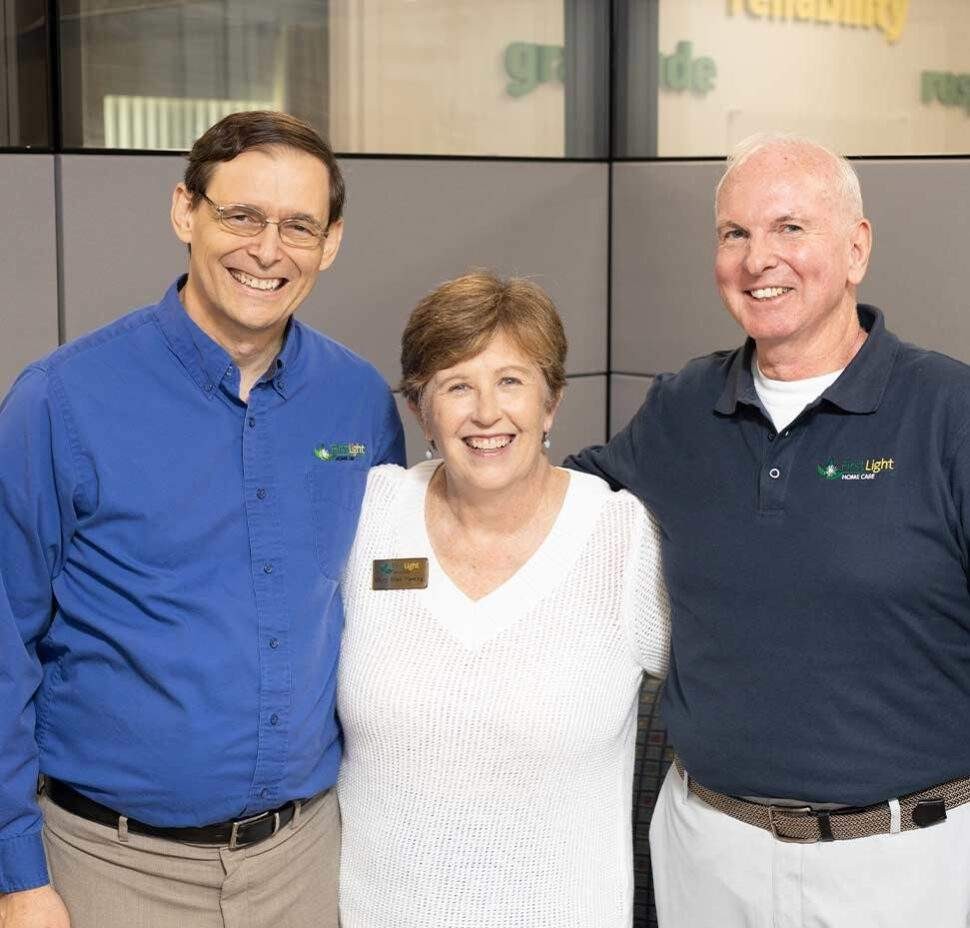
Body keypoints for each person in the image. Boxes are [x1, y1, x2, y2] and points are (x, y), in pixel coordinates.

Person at [0, 110, 405, 928]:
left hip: (307, 863)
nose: (267, 249)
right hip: (109, 870)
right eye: (242, 215)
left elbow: (388, 597)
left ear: (330, 243)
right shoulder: (60, 401)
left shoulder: (358, 399)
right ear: (186, 211)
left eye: (298, 225)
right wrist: (15, 876)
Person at [566, 132, 970, 926]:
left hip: (905, 865)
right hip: (708, 855)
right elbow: (549, 505)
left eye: (790, 228)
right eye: (735, 234)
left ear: (856, 249)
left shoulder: (948, 413)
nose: (759, 259)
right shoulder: (682, 408)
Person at [334, 271, 670, 927]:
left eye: (511, 381)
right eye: (457, 385)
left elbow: (733, 688)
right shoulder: (371, 515)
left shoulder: (619, 537)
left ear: (551, 404)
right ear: (419, 409)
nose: (486, 412)